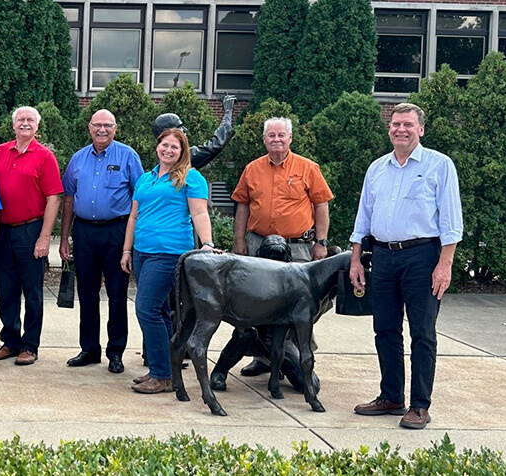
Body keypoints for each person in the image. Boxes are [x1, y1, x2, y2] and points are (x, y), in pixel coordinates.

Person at [350, 102, 463, 430]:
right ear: (389, 129)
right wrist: (356, 258)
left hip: (423, 257)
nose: (401, 129)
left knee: (422, 332)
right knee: (384, 328)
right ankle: (391, 396)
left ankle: (419, 405)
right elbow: (363, 218)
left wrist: (445, 265)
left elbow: (451, 222)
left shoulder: (439, 166)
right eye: (396, 124)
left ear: (421, 129)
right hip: (383, 257)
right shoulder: (377, 169)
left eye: (408, 125)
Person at [214, 116, 334, 388]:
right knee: (259, 302)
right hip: (259, 246)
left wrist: (321, 242)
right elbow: (242, 206)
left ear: (290, 138)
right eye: (271, 136)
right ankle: (263, 358)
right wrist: (239, 243)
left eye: (281, 135)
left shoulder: (307, 168)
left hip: (298, 247)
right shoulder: (252, 169)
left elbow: (321, 205)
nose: (276, 140)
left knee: (298, 306)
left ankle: (301, 357)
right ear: (264, 139)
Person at [121, 128, 217, 394]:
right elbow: (133, 218)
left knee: (146, 309)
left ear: (182, 151)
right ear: (157, 147)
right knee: (161, 312)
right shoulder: (145, 179)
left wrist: (207, 243)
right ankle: (166, 371)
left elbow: (199, 214)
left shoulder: (191, 177)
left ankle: (162, 374)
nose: (168, 150)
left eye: (174, 147)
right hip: (142, 252)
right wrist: (127, 251)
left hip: (169, 252)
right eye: (164, 145)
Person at [58, 109, 143, 374]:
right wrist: (64, 237)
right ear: (89, 127)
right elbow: (68, 198)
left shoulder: (128, 156)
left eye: (107, 125)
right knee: (87, 292)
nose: (102, 130)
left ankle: (115, 352)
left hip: (116, 232)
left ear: (115, 128)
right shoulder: (78, 159)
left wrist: (131, 242)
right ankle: (90, 349)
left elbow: (139, 198)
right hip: (84, 233)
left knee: (117, 294)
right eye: (97, 125)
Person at [0, 106, 63, 366]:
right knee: (6, 290)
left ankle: (30, 345)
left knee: (32, 292)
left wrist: (44, 237)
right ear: (13, 124)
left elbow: (53, 198)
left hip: (31, 230)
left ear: (37, 127)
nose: (25, 123)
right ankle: (10, 341)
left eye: (30, 120)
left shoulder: (45, 157)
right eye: (21, 119)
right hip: (4, 230)